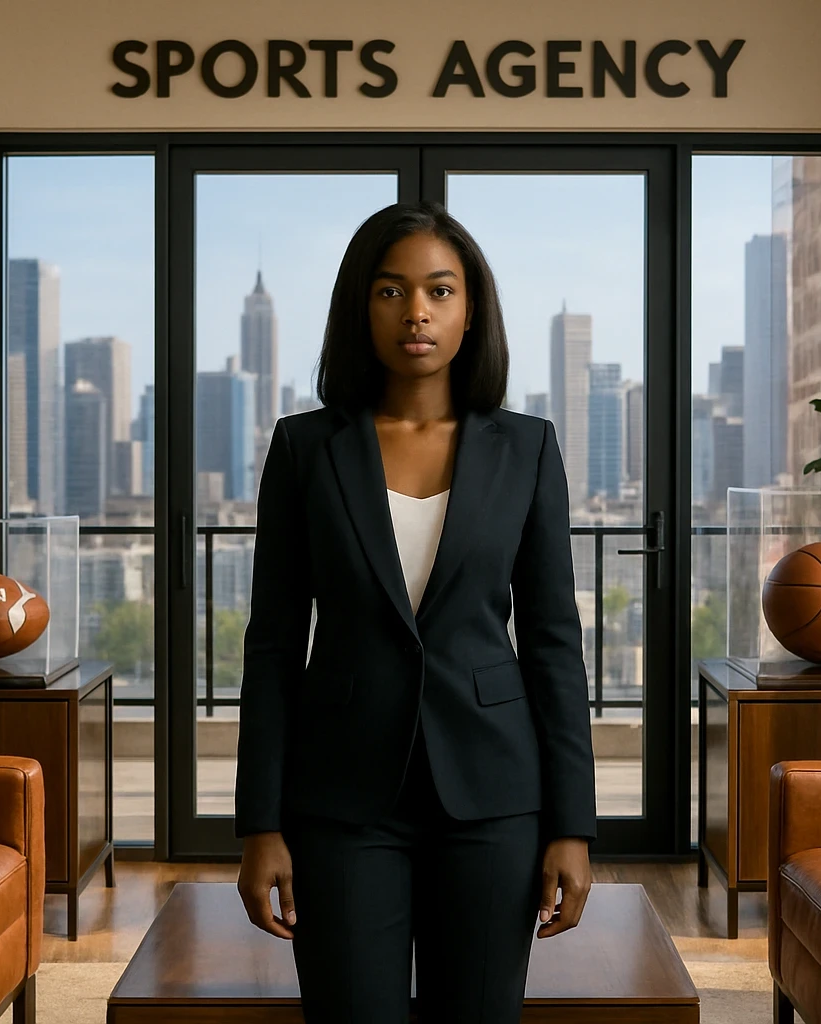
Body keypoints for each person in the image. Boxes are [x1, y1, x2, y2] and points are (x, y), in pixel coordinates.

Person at [233, 199, 597, 1024]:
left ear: (471, 310)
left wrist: (573, 826)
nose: (417, 312)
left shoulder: (528, 448)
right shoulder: (304, 449)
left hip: (495, 798)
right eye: (391, 291)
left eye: (440, 290)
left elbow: (553, 644)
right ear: (360, 308)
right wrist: (259, 824)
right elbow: (273, 646)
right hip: (341, 800)